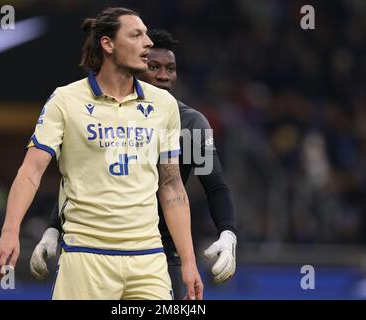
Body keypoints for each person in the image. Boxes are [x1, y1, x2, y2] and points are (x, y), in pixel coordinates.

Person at [0, 7, 203, 300]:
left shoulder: (163, 104)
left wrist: (189, 261)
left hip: (148, 260)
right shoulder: (66, 100)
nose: (148, 43)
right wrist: (10, 230)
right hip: (85, 257)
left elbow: (171, 185)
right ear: (108, 44)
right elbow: (31, 171)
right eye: (136, 34)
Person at [30, 29, 237, 299]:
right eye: (154, 67)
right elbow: (83, 178)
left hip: (163, 253)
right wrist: (52, 229)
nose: (164, 75)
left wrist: (228, 233)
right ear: (136, 67)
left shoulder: (190, 125)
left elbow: (215, 186)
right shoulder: (106, 114)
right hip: (98, 250)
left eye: (171, 68)